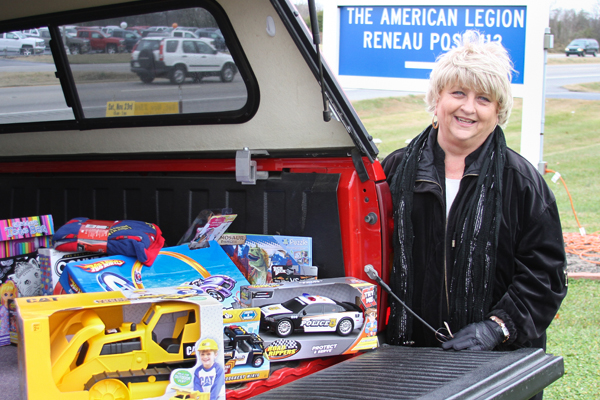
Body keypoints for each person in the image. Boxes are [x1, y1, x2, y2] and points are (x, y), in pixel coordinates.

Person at [381, 31, 567, 355]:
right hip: (404, 355)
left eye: (483, 99)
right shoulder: (393, 172)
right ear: (437, 98)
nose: (468, 107)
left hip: (496, 358)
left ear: (498, 112)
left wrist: (497, 328)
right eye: (458, 92)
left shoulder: (522, 183)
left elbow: (545, 276)